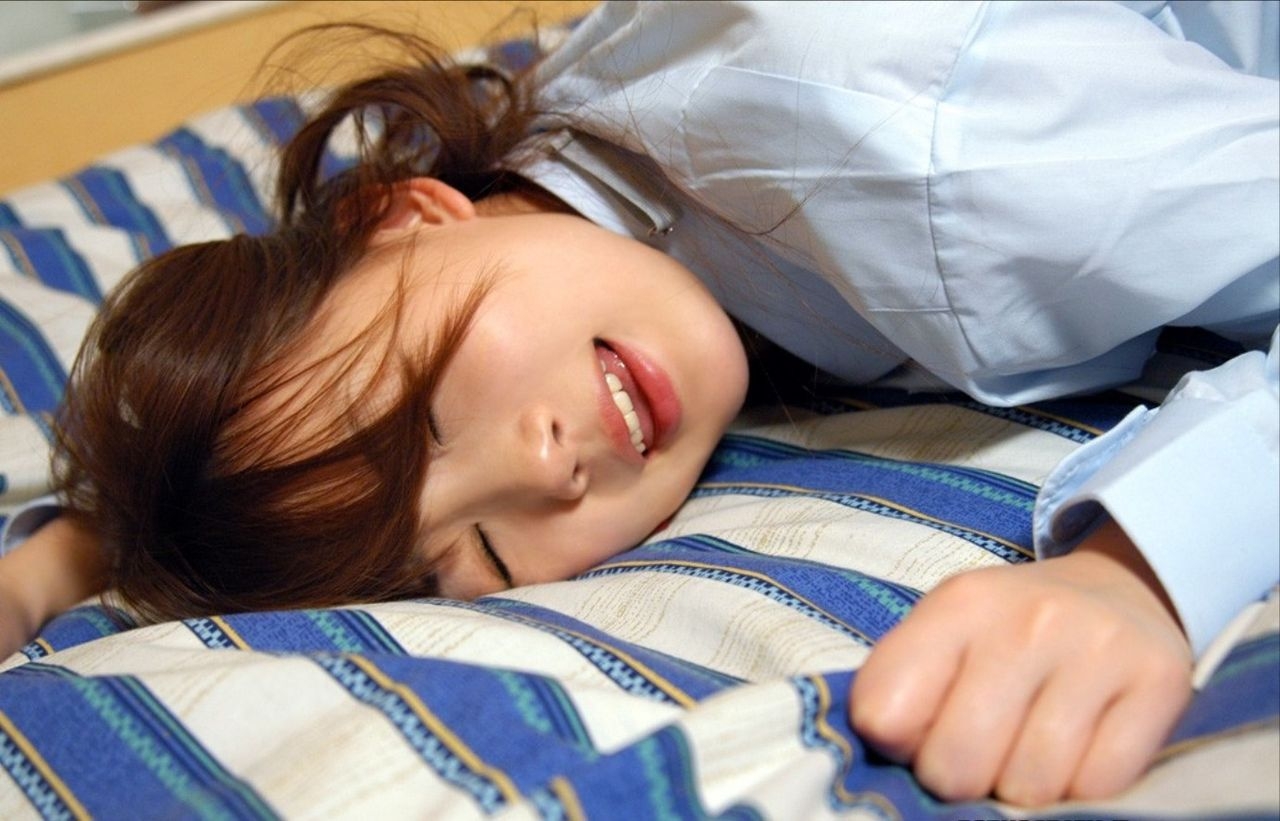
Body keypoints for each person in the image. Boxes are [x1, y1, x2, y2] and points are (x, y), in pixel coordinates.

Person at [1, 0, 1277, 807]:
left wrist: (1133, 575)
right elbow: (307, 437)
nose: (545, 469)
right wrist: (77, 548)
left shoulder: (913, 152)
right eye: (475, 553)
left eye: (427, 412)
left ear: (401, 213)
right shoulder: (568, 181)